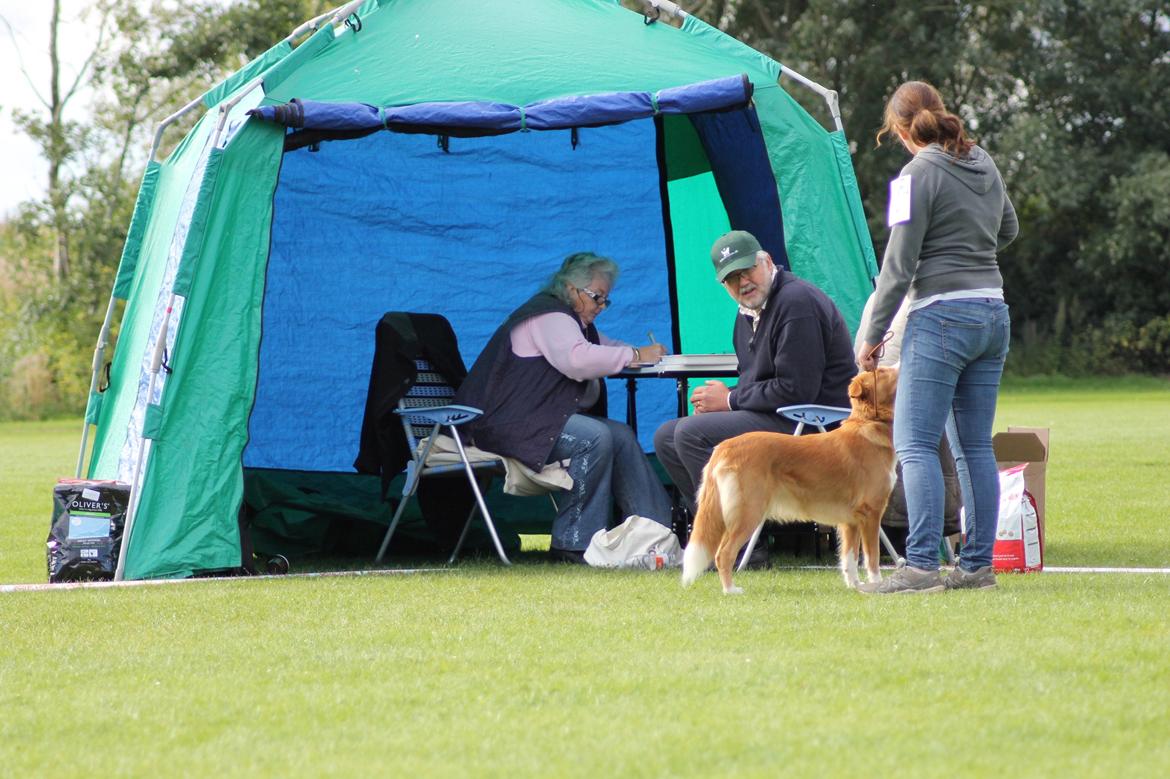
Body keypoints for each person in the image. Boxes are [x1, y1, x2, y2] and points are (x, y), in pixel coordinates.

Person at [857, 80, 1018, 594]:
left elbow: (898, 268)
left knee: (914, 443)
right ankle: (976, 567)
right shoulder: (983, 161)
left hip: (941, 317)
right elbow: (1008, 229)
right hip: (993, 312)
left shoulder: (913, 176)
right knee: (974, 447)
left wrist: (870, 334)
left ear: (902, 131)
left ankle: (921, 565)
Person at [453, 252, 671, 564]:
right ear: (571, 289)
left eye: (605, 300)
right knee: (594, 437)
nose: (601, 307)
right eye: (597, 298)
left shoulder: (573, 321)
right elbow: (578, 360)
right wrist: (635, 354)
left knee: (620, 435)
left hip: (533, 421)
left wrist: (638, 353)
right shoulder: (549, 316)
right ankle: (572, 545)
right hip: (505, 425)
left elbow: (604, 348)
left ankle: (659, 534)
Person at [653, 230, 856, 559]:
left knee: (689, 435)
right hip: (780, 414)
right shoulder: (747, 313)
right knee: (666, 436)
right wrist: (725, 400)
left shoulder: (796, 302)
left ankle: (741, 544)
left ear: (768, 262)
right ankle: (724, 534)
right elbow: (758, 382)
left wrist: (730, 400)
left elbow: (796, 390)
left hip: (815, 423)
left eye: (747, 270)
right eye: (732, 278)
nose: (742, 282)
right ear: (723, 286)